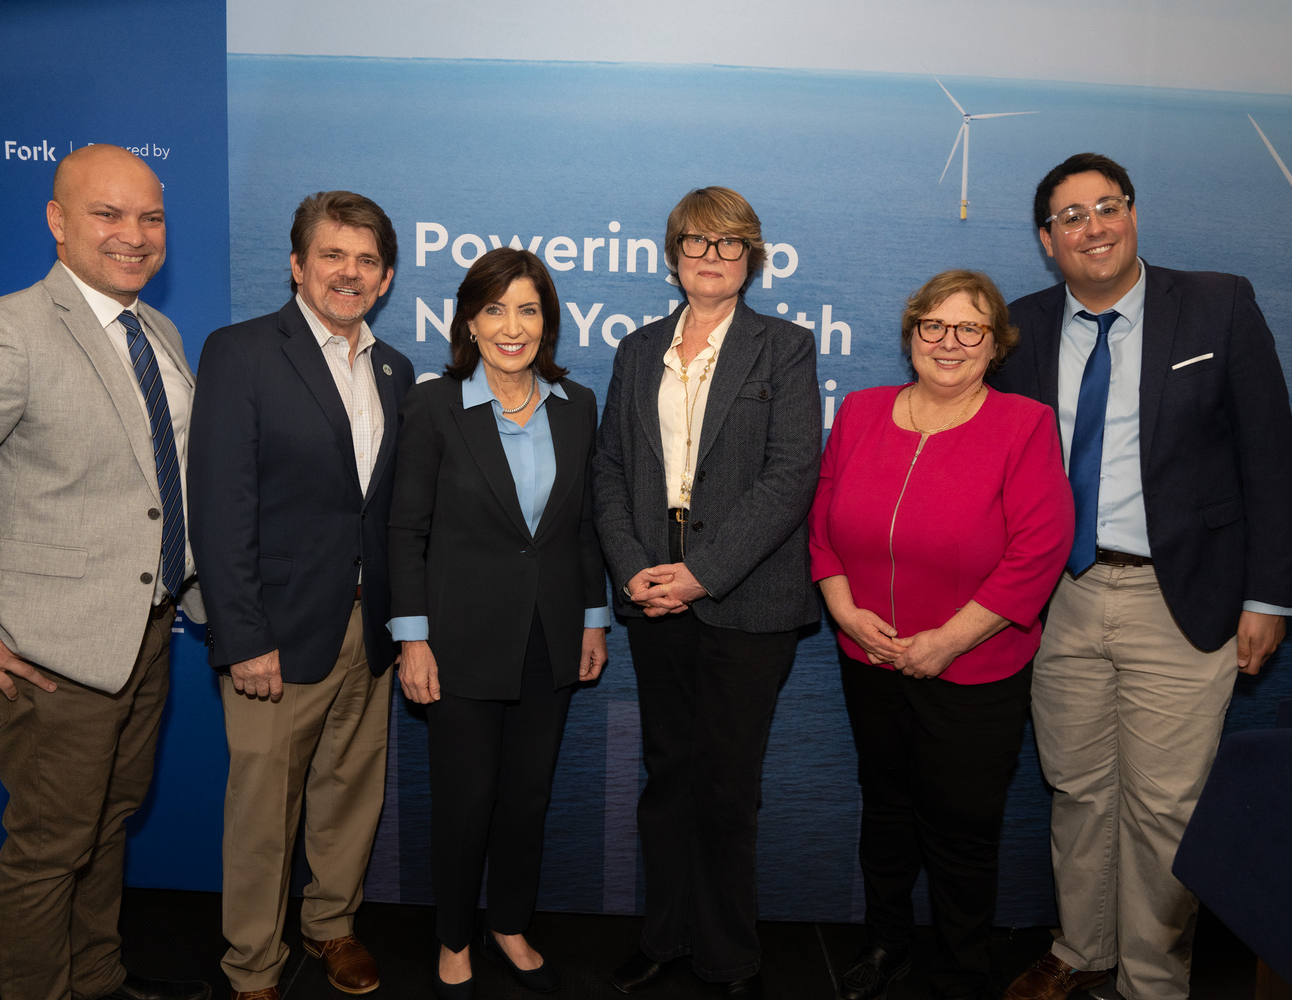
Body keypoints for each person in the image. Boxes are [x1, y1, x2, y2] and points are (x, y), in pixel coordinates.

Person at [0, 144, 208, 1000]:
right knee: (49, 848)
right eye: (108, 215)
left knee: (107, 825)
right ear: (58, 220)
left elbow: (159, 485)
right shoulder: (7, 330)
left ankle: (97, 979)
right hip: (54, 657)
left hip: (145, 633)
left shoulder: (158, 330)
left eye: (150, 217)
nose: (134, 236)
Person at [993, 153, 1292, 1000]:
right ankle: (1081, 949)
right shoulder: (1019, 330)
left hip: (1183, 598)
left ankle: (1152, 981)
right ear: (1047, 241)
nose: (1092, 226)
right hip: (1058, 602)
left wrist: (1269, 596)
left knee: (1166, 808)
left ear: (1132, 214)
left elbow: (1270, 458)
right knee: (1078, 790)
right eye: (1070, 216)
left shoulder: (1218, 303)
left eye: (1107, 206)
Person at [809, 270, 1074, 1000]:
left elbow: (1039, 551)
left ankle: (961, 970)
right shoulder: (861, 413)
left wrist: (948, 640)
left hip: (975, 670)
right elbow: (822, 524)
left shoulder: (1023, 426)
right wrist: (842, 609)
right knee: (886, 812)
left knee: (961, 833)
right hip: (869, 656)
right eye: (934, 325)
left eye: (969, 329)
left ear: (995, 345)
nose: (948, 342)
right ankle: (886, 944)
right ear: (911, 334)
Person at [593, 186, 820, 1000]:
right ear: (673, 254)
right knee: (668, 777)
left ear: (751, 257)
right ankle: (664, 936)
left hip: (745, 600)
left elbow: (790, 477)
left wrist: (702, 574)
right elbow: (610, 470)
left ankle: (728, 958)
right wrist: (633, 570)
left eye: (730, 245)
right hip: (654, 594)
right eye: (697, 243)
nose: (712, 258)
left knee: (727, 787)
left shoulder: (785, 349)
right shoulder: (636, 349)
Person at [187, 191, 414, 1000]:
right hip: (275, 633)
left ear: (384, 278)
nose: (348, 274)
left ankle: (331, 926)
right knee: (262, 812)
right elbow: (219, 506)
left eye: (365, 261)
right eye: (332, 256)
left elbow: (385, 511)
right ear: (297, 265)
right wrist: (243, 636)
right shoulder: (242, 352)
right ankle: (252, 963)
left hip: (369, 628)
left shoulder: (394, 370)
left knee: (351, 792)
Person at [388, 247, 609, 1000]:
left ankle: (508, 922)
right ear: (469, 322)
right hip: (457, 645)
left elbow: (581, 527)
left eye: (528, 309)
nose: (512, 327)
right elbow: (405, 531)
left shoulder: (577, 405)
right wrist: (411, 638)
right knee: (466, 799)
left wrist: (593, 620)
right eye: (495, 310)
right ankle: (454, 933)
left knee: (528, 799)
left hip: (549, 636)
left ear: (547, 321)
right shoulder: (433, 407)